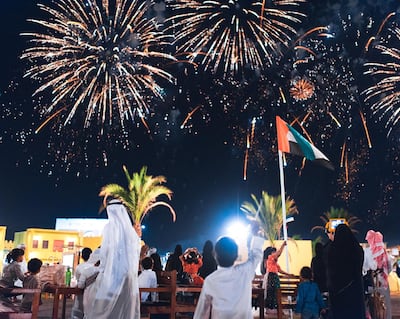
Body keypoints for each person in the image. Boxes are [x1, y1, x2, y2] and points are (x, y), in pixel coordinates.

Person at [193, 222, 264, 319]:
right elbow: (256, 255)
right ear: (236, 256)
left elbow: (202, 314)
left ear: (215, 255)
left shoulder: (210, 280)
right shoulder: (245, 272)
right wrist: (255, 234)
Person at [83, 200, 141, 319]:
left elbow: (105, 254)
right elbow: (136, 251)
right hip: (128, 278)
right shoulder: (130, 230)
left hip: (112, 276)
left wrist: (102, 269)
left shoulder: (109, 228)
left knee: (95, 297)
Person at [327, 223, 365, 319]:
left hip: (338, 293)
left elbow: (330, 270)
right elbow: (359, 267)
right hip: (355, 289)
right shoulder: (357, 249)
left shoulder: (333, 250)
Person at [265, 241, 295, 312]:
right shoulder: (270, 257)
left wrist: (288, 274)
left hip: (274, 276)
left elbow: (280, 270)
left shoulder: (275, 264)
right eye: (274, 252)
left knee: (276, 292)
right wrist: (283, 245)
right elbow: (278, 254)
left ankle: (274, 309)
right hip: (272, 276)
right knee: (272, 292)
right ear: (271, 253)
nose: (275, 254)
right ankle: (271, 308)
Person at [71, 247, 93, 319]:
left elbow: (78, 280)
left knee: (78, 311)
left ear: (82, 257)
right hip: (92, 293)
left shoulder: (79, 267)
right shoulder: (94, 267)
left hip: (81, 292)